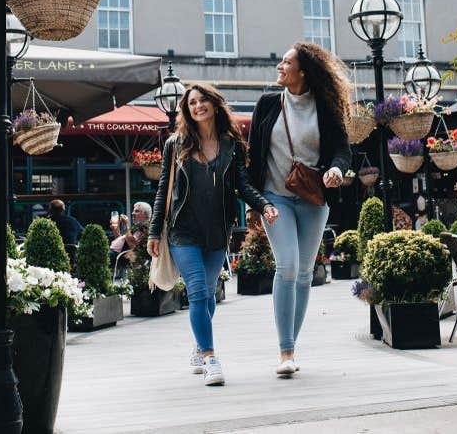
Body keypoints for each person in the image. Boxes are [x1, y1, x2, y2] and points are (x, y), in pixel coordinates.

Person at [148, 84, 278, 386]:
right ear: (186, 110)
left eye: (203, 100)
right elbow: (162, 189)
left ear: (214, 104)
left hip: (218, 231)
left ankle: (198, 343)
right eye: (192, 102)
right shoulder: (175, 144)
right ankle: (210, 358)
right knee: (196, 291)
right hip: (183, 231)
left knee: (207, 296)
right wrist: (155, 231)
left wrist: (264, 204)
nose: (198, 106)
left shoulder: (231, 144)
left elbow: (242, 186)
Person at [246, 42, 351, 377]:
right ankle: (285, 350)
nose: (279, 66)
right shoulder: (266, 104)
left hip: (313, 198)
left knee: (305, 273)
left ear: (302, 72)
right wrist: (254, 202)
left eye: (286, 62)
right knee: (287, 267)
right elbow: (253, 156)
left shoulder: (325, 106)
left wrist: (336, 170)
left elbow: (341, 151)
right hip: (275, 199)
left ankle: (293, 343)